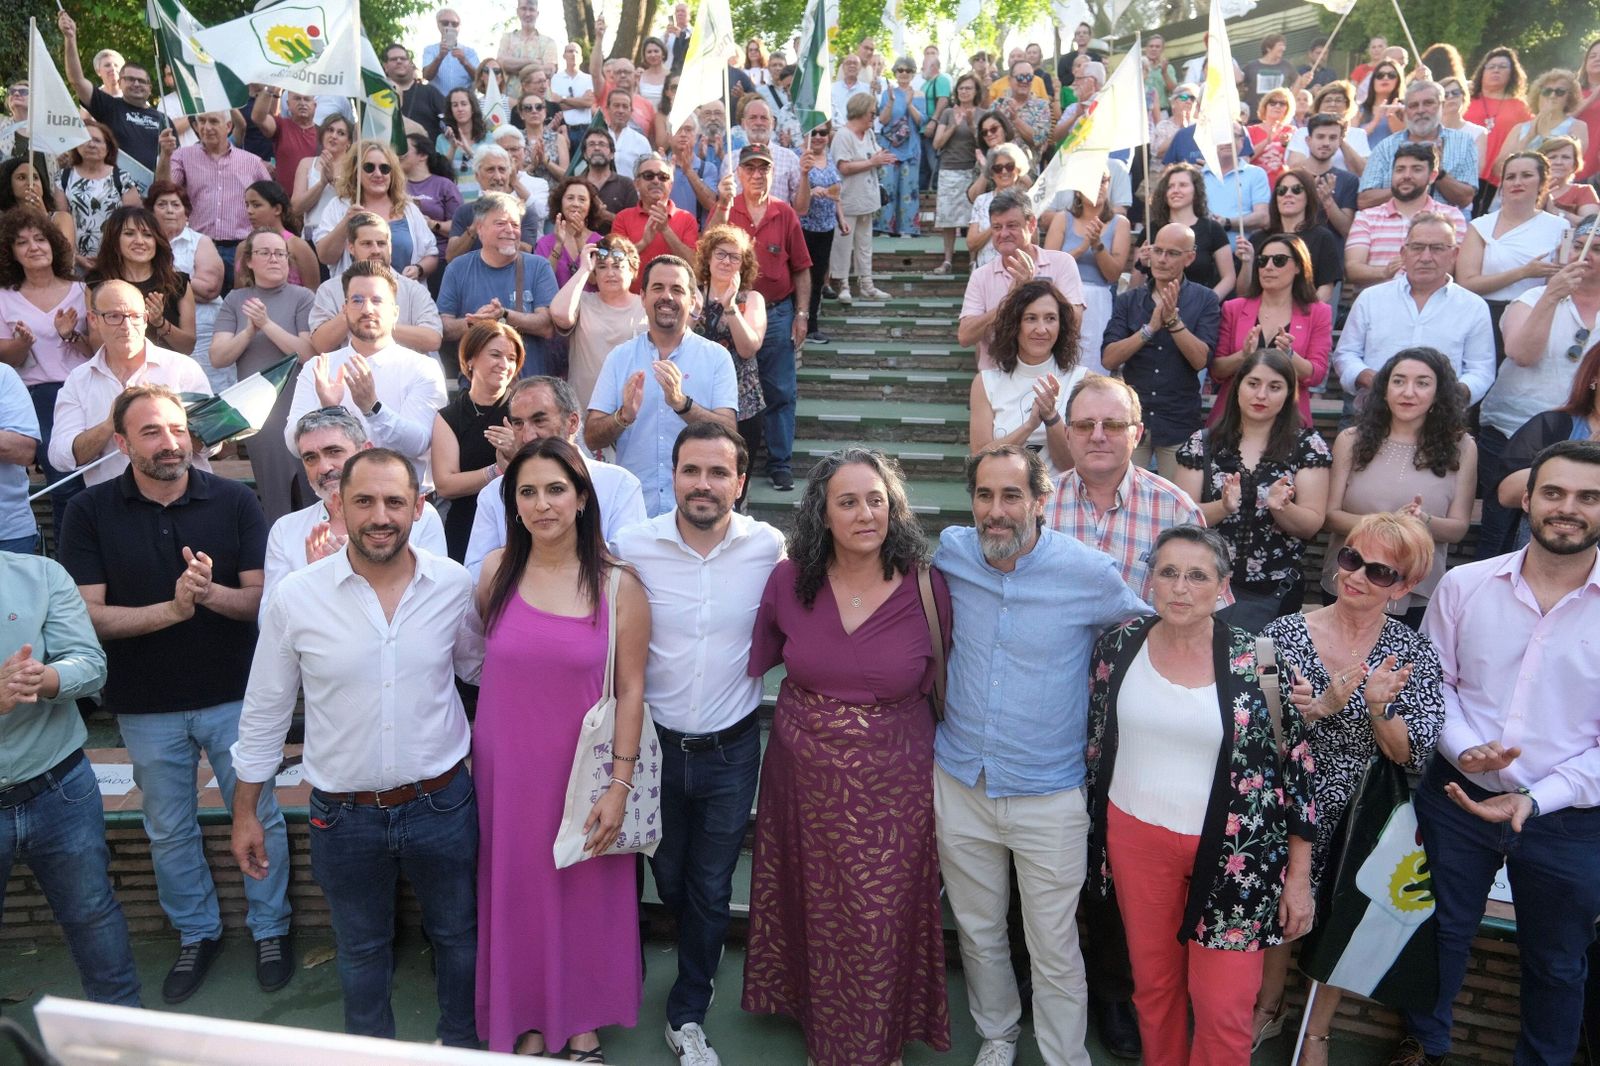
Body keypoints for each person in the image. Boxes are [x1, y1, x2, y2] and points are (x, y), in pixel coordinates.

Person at [231, 447, 481, 1046]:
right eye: (364, 500)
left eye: (395, 501)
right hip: (343, 817)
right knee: (362, 950)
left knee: (458, 937)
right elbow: (265, 710)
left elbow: (481, 668)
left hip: (442, 803)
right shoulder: (296, 597)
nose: (380, 516)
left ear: (418, 509)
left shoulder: (454, 585)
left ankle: (463, 1047)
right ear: (338, 505)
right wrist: (245, 812)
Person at [56, 384, 291, 1003]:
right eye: (152, 432)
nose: (170, 442)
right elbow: (87, 617)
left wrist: (208, 595)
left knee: (260, 815)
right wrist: (174, 609)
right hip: (144, 702)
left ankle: (271, 928)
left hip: (235, 695)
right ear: (121, 442)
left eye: (178, 429)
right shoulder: (89, 511)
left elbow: (261, 602)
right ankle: (197, 933)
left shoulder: (234, 500)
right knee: (168, 828)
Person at [1381, 439, 1600, 1066]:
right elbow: (1436, 684)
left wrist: (1535, 798)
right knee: (1436, 935)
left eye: (1588, 497)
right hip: (1456, 796)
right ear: (1527, 499)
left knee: (1557, 963)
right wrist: (1464, 746)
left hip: (1569, 819)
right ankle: (1424, 1048)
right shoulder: (1465, 586)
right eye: (1553, 492)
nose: (1568, 508)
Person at [934, 444, 1151, 1066]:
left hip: (1049, 791)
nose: (995, 510)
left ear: (1040, 500)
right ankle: (998, 1033)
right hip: (960, 778)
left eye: (1011, 495)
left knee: (1053, 944)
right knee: (978, 930)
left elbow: (1152, 636)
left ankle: (1063, 1057)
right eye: (984, 495)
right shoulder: (951, 553)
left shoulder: (1089, 573)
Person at [741, 446, 951, 1065]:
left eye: (877, 500)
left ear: (894, 508)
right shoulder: (788, 580)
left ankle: (875, 1040)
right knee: (815, 905)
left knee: (880, 913)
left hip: (894, 779)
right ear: (822, 513)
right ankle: (823, 1030)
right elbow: (765, 652)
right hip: (803, 777)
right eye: (849, 502)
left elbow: (942, 670)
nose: (865, 514)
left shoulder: (927, 587)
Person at [1085, 523, 1315, 1065]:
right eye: (1168, 573)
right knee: (1154, 988)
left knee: (1224, 1007)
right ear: (1149, 580)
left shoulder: (1260, 661)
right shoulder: (1118, 646)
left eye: (1197, 576)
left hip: (1238, 856)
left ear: (1223, 586)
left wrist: (1299, 878)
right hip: (1136, 839)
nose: (1181, 588)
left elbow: (1296, 771)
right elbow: (1096, 743)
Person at [467, 436, 647, 1059]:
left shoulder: (619, 585)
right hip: (507, 772)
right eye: (527, 492)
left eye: (555, 489)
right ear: (513, 505)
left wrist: (619, 785)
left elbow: (632, 689)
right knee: (519, 893)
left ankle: (582, 1019)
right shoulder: (495, 572)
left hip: (586, 772)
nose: (542, 504)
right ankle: (529, 1013)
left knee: (585, 892)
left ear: (581, 498)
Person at [608, 423, 781, 1066]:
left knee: (710, 884)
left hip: (731, 751)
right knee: (671, 879)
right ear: (674, 476)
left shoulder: (768, 547)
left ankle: (687, 1009)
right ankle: (690, 955)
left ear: (740, 482)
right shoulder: (633, 546)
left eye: (717, 473)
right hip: (653, 749)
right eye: (691, 471)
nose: (702, 484)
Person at [1250, 511, 1444, 1060]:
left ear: (1404, 587)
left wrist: (1379, 708)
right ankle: (1267, 1007)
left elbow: (1410, 754)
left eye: (1379, 571)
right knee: (1279, 908)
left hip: (1361, 807)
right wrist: (1319, 710)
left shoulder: (1413, 653)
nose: (1357, 575)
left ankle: (1317, 1029)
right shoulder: (1280, 635)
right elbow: (1253, 733)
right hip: (1285, 799)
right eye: (1352, 558)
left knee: (1340, 919)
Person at [0, 548, 141, 1005]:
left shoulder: (39, 574)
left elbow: (89, 663)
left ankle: (122, 1030)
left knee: (93, 917)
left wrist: (44, 678)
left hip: (59, 787)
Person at [1175, 347, 1331, 627]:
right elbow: (1180, 517)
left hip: (1274, 591)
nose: (1261, 395)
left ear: (1289, 393)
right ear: (1238, 386)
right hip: (1205, 586)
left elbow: (1312, 523)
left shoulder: (1308, 446)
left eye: (1274, 387)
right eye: (1253, 383)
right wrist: (1222, 507)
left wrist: (1283, 508)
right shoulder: (1203, 442)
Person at [1325, 348, 1477, 628]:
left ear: (1438, 393)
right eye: (1398, 381)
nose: (1408, 392)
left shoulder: (1462, 447)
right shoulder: (1351, 440)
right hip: (1350, 580)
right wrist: (1390, 525)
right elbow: (1331, 516)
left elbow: (1458, 528)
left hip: (1414, 590)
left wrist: (1422, 521)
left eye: (1422, 383)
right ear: (1384, 389)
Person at [1477, 225, 1600, 558]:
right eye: (1578, 245)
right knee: (1498, 537)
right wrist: (1551, 296)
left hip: (1585, 426)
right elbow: (1522, 353)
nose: (1585, 255)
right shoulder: (1530, 298)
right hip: (1513, 431)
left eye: (1597, 249)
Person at [583, 256, 738, 515]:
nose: (667, 296)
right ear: (643, 297)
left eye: (677, 289)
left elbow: (730, 432)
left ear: (693, 300)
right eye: (658, 288)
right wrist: (623, 416)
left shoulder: (716, 357)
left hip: (698, 509)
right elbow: (591, 437)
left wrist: (682, 404)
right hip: (635, 509)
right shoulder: (620, 357)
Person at [285, 262, 448, 491]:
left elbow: (418, 443)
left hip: (404, 501)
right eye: (357, 300)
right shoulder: (319, 367)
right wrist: (328, 411)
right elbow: (293, 443)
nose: (367, 309)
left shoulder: (422, 368)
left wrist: (373, 408)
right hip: (336, 499)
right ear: (345, 309)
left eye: (377, 300)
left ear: (395, 312)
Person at [705, 146, 811, 492]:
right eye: (749, 168)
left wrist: (802, 314)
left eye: (762, 168)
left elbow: (801, 268)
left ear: (771, 172)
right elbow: (707, 246)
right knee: (726, 391)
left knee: (780, 389)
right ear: (739, 173)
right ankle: (730, 465)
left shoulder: (785, 213)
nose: (756, 174)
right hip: (728, 309)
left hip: (776, 312)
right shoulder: (728, 207)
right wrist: (722, 205)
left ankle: (779, 463)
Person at [264, 407, 445, 604]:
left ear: (365, 451)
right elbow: (271, 615)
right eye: (310, 458)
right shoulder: (285, 530)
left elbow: (435, 602)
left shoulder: (420, 516)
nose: (323, 468)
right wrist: (315, 578)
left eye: (334, 452)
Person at [1047, 374, 1206, 598]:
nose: (1097, 436)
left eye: (1113, 425)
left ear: (1137, 434)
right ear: (1067, 435)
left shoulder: (1177, 511)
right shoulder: (1038, 505)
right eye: (1084, 425)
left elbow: (1198, 604)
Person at [48, 279, 211, 489]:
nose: (126, 326)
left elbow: (212, 444)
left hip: (184, 496)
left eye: (135, 316)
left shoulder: (182, 367)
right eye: (114, 316)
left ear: (146, 319)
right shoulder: (79, 380)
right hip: (113, 502)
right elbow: (61, 457)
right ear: (94, 320)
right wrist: (110, 424)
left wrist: (169, 423)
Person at [1335, 213, 1494, 412]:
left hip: (1442, 417)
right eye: (1417, 247)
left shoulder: (1474, 307)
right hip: (1373, 412)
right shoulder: (1371, 299)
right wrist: (1371, 378)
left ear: (1454, 254)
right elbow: (1346, 353)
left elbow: (1481, 369)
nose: (1426, 257)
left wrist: (1450, 393)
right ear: (1404, 253)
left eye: (1437, 248)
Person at [208, 230, 314, 523]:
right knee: (274, 496)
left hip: (299, 408)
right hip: (260, 415)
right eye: (265, 253)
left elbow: (307, 352)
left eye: (280, 253)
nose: (274, 259)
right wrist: (248, 331)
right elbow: (218, 356)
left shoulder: (303, 297)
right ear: (249, 261)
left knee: (307, 492)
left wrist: (266, 324)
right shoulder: (236, 299)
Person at [1103, 223, 1223, 481]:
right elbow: (1109, 358)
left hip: (1178, 418)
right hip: (1132, 419)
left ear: (1189, 258)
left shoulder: (1205, 299)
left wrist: (1173, 323)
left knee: (1179, 500)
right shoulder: (1129, 300)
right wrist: (1149, 330)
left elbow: (1201, 360)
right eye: (1157, 251)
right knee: (1124, 496)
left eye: (1172, 253)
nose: (1162, 259)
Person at [0, 208, 93, 530]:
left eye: (40, 239)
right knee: (63, 481)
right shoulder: (4, 297)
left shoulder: (83, 290)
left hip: (85, 388)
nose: (33, 247)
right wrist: (22, 343)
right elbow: (6, 360)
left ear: (53, 244)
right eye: (22, 242)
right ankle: (69, 554)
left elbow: (98, 350)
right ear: (11, 252)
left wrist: (71, 335)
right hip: (39, 395)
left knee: (97, 480)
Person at [1211, 233, 1332, 432]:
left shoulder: (1318, 312)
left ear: (1299, 266)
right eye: (1262, 260)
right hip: (1233, 420)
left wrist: (1290, 355)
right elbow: (1216, 370)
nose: (1268, 267)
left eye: (1279, 260)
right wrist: (1243, 356)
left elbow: (1316, 374)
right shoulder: (1233, 308)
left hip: (1289, 422)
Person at [958, 188, 1087, 373]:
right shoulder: (981, 276)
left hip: (1050, 377)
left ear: (1032, 224)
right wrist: (1009, 300)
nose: (1003, 234)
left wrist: (1029, 291)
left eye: (1012, 225)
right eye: (997, 227)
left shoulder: (1062, 263)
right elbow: (965, 336)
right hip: (998, 376)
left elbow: (1074, 324)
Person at [969, 279, 1085, 479]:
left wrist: (1051, 417)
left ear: (1061, 325)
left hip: (1061, 495)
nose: (1041, 329)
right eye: (1031, 318)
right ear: (1015, 325)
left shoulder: (1081, 380)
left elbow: (1072, 465)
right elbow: (979, 461)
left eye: (1050, 318)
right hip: (1002, 493)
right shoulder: (985, 382)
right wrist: (1029, 426)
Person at [1456, 151, 1566, 360]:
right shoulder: (1480, 226)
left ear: (1542, 182)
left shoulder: (1560, 227)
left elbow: (1560, 281)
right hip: (1485, 316)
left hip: (1533, 316)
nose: (1517, 182)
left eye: (1526, 175)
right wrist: (1523, 272)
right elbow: (1467, 283)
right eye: (1510, 177)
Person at [438, 192, 558, 374]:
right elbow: (443, 327)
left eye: (515, 224)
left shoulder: (539, 266)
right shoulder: (457, 268)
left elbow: (547, 326)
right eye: (501, 223)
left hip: (528, 384)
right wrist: (473, 323)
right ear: (480, 229)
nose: (510, 230)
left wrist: (504, 315)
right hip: (475, 384)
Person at [1494, 339, 1600, 544]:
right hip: (1551, 545)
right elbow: (1507, 494)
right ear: (1593, 377)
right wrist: (1581, 457)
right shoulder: (1555, 425)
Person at [430, 322, 520, 560]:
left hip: (518, 521)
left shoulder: (523, 410)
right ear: (470, 359)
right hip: (466, 526)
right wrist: (497, 470)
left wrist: (519, 451)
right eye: (495, 355)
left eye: (511, 358)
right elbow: (445, 484)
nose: (505, 364)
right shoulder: (450, 416)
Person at [156, 112, 274, 288]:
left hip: (240, 249)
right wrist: (166, 155)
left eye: (213, 121)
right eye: (202, 121)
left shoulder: (252, 162)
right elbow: (164, 191)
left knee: (240, 302)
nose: (207, 127)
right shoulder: (182, 156)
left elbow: (271, 202)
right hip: (199, 248)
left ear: (228, 126)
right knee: (201, 302)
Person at [307, 212, 443, 359]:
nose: (376, 250)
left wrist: (379, 324)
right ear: (351, 247)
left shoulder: (413, 289)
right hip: (349, 369)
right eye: (367, 244)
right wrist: (352, 311)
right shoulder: (329, 290)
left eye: (381, 243)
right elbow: (320, 344)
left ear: (390, 247)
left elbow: (433, 339)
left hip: (403, 370)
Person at [690, 225, 767, 474]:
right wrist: (695, 311)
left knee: (736, 478)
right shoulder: (692, 295)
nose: (726, 261)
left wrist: (730, 306)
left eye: (734, 257)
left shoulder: (752, 299)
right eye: (721, 254)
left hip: (743, 404)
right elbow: (678, 340)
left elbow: (748, 349)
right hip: (698, 401)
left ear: (743, 264)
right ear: (708, 257)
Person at [57, 10, 170, 176]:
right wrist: (70, 38)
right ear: (120, 82)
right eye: (130, 79)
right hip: (113, 186)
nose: (136, 84)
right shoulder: (109, 106)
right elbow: (77, 81)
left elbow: (175, 160)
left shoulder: (163, 120)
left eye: (142, 81)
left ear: (150, 88)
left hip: (152, 189)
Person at [1345, 144, 1468, 288]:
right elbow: (1353, 269)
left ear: (1432, 176)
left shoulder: (1452, 217)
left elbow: (1455, 268)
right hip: (1377, 300)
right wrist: (1384, 272)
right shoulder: (1367, 217)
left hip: (1433, 300)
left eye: (1416, 169)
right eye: (1400, 169)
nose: (1406, 176)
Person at [313, 141, 436, 281]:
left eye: (384, 168)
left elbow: (431, 254)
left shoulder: (408, 209)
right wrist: (346, 221)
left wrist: (419, 269)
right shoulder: (338, 206)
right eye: (369, 167)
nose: (378, 174)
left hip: (402, 292)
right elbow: (325, 257)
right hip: (354, 293)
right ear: (356, 172)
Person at [84, 206, 198, 355]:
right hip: (117, 367)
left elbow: (188, 347)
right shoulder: (97, 283)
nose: (139, 241)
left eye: (147, 235)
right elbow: (96, 346)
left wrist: (160, 323)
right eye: (129, 234)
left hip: (166, 367)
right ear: (114, 240)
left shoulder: (177, 283)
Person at [146, 182, 226, 388]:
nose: (169, 210)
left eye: (176, 204)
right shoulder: (143, 244)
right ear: (151, 212)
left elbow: (209, 288)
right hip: (155, 327)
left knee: (205, 386)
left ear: (186, 212)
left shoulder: (200, 241)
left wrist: (160, 276)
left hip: (202, 326)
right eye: (162, 204)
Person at [1356, 80, 1479, 214]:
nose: (1420, 110)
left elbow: (1465, 199)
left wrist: (1438, 172)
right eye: (1413, 105)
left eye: (1428, 103)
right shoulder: (1386, 147)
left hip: (1446, 222)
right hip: (1393, 223)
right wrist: (1405, 187)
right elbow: (1364, 201)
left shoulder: (1463, 142)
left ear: (1442, 105)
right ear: (1405, 111)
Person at [1238, 172, 1344, 303]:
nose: (1288, 194)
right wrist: (1247, 263)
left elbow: (1326, 288)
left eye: (1296, 189)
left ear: (1308, 196)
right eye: (1281, 190)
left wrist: (1306, 312)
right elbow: (1244, 292)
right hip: (1263, 312)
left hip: (1306, 311)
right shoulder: (1258, 238)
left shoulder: (1322, 237)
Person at [830, 93, 896, 304]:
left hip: (867, 198)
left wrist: (883, 158)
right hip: (848, 199)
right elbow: (843, 167)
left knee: (865, 244)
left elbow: (875, 155)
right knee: (843, 244)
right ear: (860, 111)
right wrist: (872, 162)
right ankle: (843, 285)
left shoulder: (868, 134)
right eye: (871, 113)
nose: (874, 117)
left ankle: (867, 284)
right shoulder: (843, 135)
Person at [1141, 163, 1235, 300]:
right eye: (1170, 186)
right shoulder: (1151, 230)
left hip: (1200, 305)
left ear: (1196, 191)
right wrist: (1142, 265)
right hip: (1157, 304)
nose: (1175, 190)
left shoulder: (1212, 229)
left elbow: (1229, 277)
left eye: (1183, 185)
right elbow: (1136, 282)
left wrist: (1207, 302)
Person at [58, 121, 143, 273]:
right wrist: (75, 256)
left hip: (116, 260)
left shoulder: (122, 178)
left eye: (97, 140)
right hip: (75, 262)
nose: (91, 144)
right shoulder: (63, 178)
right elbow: (60, 222)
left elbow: (134, 221)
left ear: (108, 147)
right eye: (85, 139)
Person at [612, 154, 700, 284]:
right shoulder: (622, 218)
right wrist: (643, 243)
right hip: (632, 295)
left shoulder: (687, 219)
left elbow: (693, 264)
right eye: (649, 175)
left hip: (672, 295)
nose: (656, 181)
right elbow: (614, 261)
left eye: (663, 177)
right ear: (636, 184)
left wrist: (665, 230)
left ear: (670, 185)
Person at [1465, 48, 1533, 212]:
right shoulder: (1466, 100)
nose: (1496, 70)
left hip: (1497, 178)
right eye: (1491, 66)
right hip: (1465, 173)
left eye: (1502, 67)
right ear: (1482, 71)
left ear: (1512, 73)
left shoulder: (1522, 107)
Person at [1494, 68, 1592, 175]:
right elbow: (1499, 169)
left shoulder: (1578, 126)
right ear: (1538, 95)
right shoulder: (1519, 128)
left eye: (1560, 92)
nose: (1552, 96)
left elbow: (1572, 164)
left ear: (1569, 97)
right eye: (1547, 91)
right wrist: (1529, 136)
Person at [931, 75, 983, 274]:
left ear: (976, 91)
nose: (964, 91)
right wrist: (954, 125)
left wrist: (971, 125)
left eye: (968, 88)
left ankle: (973, 261)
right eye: (961, 88)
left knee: (973, 218)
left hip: (973, 171)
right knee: (948, 219)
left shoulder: (983, 114)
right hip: (949, 169)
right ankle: (947, 260)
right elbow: (937, 143)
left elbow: (984, 144)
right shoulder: (947, 113)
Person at [795, 123, 841, 343]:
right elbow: (794, 190)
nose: (819, 137)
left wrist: (841, 218)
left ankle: (812, 325)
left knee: (817, 278)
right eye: (814, 132)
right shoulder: (797, 156)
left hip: (826, 226)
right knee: (801, 276)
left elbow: (837, 191)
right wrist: (811, 191)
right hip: (803, 227)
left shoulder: (829, 157)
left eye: (823, 132)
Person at [875, 58, 924, 238]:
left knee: (909, 189)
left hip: (911, 148)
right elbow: (882, 120)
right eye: (900, 70)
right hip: (889, 147)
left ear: (913, 73)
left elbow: (921, 121)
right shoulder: (888, 93)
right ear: (895, 72)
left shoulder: (919, 94)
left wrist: (909, 104)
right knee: (887, 186)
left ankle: (907, 229)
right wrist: (890, 101)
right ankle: (884, 227)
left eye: (908, 70)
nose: (904, 73)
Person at [965, 145, 1032, 273]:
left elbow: (1034, 241)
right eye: (998, 168)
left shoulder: (1027, 200)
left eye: (1009, 166)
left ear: (1018, 169)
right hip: (986, 273)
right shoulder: (981, 201)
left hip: (1019, 272)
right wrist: (997, 226)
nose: (1004, 172)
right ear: (991, 173)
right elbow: (971, 244)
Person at [242, 181, 320, 291]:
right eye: (247, 205)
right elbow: (240, 294)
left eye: (256, 205)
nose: (249, 211)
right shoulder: (243, 247)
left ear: (277, 209)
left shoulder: (297, 246)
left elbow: (312, 293)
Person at [1288, 84, 1370, 179]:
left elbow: (1364, 171)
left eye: (1338, 100)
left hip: (1348, 185)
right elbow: (1295, 167)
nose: (1333, 104)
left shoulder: (1358, 134)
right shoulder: (1302, 133)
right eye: (1328, 100)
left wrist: (1340, 140)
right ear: (1318, 106)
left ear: (1347, 106)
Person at [0, 158, 78, 253]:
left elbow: (65, 253)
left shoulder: (61, 218)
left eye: (35, 178)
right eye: (21, 177)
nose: (30, 183)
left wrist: (43, 216)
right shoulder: (3, 223)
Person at [291, 114, 355, 227]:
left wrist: (333, 181)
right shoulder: (306, 164)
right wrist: (322, 183)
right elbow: (295, 208)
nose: (334, 136)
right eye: (330, 130)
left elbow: (357, 202)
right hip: (312, 232)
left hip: (342, 232)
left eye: (341, 133)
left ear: (349, 142)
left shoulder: (354, 167)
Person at [249, 89, 319, 190]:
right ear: (288, 104)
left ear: (315, 105)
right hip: (284, 196)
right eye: (297, 99)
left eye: (307, 99)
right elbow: (258, 118)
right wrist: (269, 91)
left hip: (314, 196)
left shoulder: (324, 133)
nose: (302, 103)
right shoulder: (281, 125)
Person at [383, 43, 448, 144]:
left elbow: (449, 121)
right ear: (385, 67)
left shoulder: (430, 92)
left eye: (403, 58)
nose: (399, 61)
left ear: (410, 64)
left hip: (426, 151)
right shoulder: (378, 95)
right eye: (393, 59)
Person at [578, 128, 640, 231]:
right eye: (591, 144)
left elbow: (634, 224)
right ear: (584, 154)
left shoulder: (626, 184)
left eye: (602, 144)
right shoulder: (575, 184)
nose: (597, 148)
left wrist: (606, 216)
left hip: (617, 240)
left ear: (612, 154)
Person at [551, 42, 596, 155]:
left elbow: (588, 103)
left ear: (581, 57)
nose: (573, 54)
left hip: (585, 130)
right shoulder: (555, 79)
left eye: (577, 52)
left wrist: (563, 99)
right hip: (564, 131)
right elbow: (556, 105)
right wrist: (580, 102)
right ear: (564, 56)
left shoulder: (589, 79)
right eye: (570, 51)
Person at [422, 8, 480, 95]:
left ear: (459, 27)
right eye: (445, 23)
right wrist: (439, 57)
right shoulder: (430, 50)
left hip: (463, 100)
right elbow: (427, 76)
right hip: (437, 100)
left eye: (455, 24)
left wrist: (465, 61)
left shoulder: (469, 52)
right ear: (438, 25)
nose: (450, 26)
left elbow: (479, 78)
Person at [1247, 88, 1298, 186]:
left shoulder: (1292, 131)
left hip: (1282, 186)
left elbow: (1296, 163)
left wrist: (1287, 144)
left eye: (1282, 103)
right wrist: (1267, 140)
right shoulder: (1250, 131)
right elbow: (1246, 159)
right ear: (1265, 106)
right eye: (1272, 102)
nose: (1277, 106)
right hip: (1256, 184)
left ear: (1287, 108)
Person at [498, 0, 559, 79]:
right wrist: (533, 62)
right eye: (523, 9)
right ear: (518, 12)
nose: (527, 14)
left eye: (531, 9)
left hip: (539, 87)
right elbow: (501, 64)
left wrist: (513, 66)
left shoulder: (548, 42)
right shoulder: (507, 39)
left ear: (537, 13)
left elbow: (549, 71)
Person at [1241, 33, 1300, 112]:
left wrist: (1289, 99)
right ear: (1268, 48)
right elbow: (1240, 84)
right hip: (1255, 113)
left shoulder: (1286, 65)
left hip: (1278, 112)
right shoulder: (1251, 67)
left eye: (1284, 45)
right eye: (1280, 45)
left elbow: (1298, 81)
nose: (1284, 48)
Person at [1357, 61, 1407, 148]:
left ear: (1398, 80)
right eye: (1380, 75)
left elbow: (1405, 139)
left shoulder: (1404, 108)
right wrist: (1375, 120)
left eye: (1391, 75)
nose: (1385, 78)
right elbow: (1353, 139)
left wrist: (1391, 116)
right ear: (1373, 81)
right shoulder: (1359, 109)